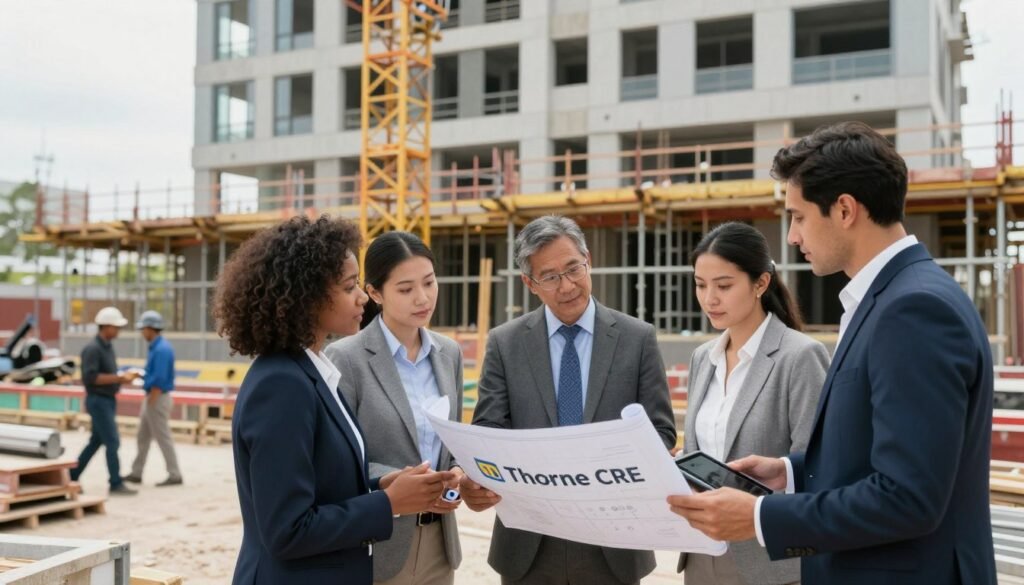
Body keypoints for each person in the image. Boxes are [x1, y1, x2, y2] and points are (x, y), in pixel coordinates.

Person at [668, 122, 996, 585]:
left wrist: (761, 515)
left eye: (798, 217)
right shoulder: (886, 300)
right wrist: (789, 472)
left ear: (844, 210)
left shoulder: (912, 310)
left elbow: (908, 497)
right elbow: (872, 454)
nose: (792, 238)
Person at [215, 215, 455, 585]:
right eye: (348, 287)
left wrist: (383, 486)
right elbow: (287, 529)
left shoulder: (311, 372)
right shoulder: (282, 384)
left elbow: (326, 487)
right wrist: (388, 504)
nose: (362, 297)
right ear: (306, 297)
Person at [466, 215, 677, 585]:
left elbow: (661, 430)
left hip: (615, 543)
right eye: (549, 277)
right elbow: (487, 429)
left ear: (588, 260)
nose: (566, 286)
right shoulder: (505, 343)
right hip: (529, 545)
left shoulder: (636, 338)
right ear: (529, 284)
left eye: (573, 269)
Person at [678, 222, 828, 585]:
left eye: (724, 286)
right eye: (700, 285)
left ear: (760, 283)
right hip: (702, 555)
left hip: (771, 563)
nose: (709, 298)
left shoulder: (800, 356)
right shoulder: (703, 357)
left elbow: (820, 469)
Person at [326, 231, 464, 585]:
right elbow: (337, 460)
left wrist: (458, 474)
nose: (423, 298)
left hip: (439, 545)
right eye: (405, 289)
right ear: (374, 292)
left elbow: (453, 444)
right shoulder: (346, 358)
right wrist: (399, 481)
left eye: (429, 283)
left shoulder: (449, 354)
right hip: (377, 545)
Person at [71, 306, 139, 496]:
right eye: (116, 327)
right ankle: (115, 482)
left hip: (107, 400)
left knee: (96, 441)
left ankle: (71, 475)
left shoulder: (107, 347)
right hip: (98, 400)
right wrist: (119, 378)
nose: (118, 331)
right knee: (112, 441)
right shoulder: (93, 349)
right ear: (106, 326)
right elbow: (90, 378)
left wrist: (120, 378)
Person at [122, 310, 183, 488]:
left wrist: (152, 401)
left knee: (163, 437)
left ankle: (175, 474)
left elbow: (160, 378)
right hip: (153, 397)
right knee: (143, 436)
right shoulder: (157, 347)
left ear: (151, 329)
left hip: (157, 397)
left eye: (143, 329)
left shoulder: (162, 349)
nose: (142, 333)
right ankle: (136, 472)